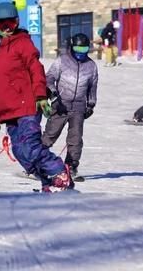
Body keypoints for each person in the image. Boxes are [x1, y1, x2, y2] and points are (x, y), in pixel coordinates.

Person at [0, 0, 72, 192]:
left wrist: (41, 96)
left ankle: (59, 172)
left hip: (27, 104)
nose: (7, 27)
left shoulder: (23, 43)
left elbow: (36, 69)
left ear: (17, 22)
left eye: (11, 22)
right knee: (20, 152)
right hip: (8, 109)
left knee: (30, 146)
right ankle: (47, 180)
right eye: (1, 23)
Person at [41, 33, 98, 179]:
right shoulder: (62, 61)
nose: (81, 53)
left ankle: (71, 167)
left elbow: (92, 87)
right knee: (50, 134)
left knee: (76, 139)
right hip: (61, 104)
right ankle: (37, 163)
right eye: (78, 49)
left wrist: (90, 104)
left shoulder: (91, 66)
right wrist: (53, 95)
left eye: (84, 49)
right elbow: (49, 78)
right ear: (72, 47)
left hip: (79, 106)